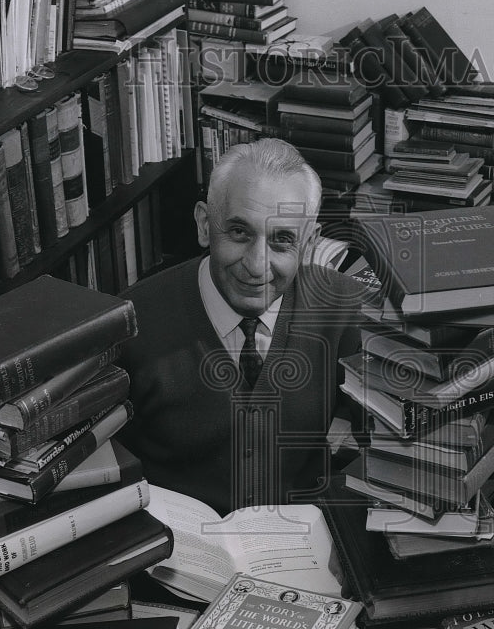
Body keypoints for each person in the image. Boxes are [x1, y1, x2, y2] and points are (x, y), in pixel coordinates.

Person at [119, 138, 363, 515]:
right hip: (173, 553)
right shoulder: (128, 326)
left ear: (310, 242)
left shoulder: (344, 309)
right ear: (204, 225)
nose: (256, 264)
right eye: (239, 233)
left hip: (304, 547)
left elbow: (394, 446)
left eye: (283, 240)